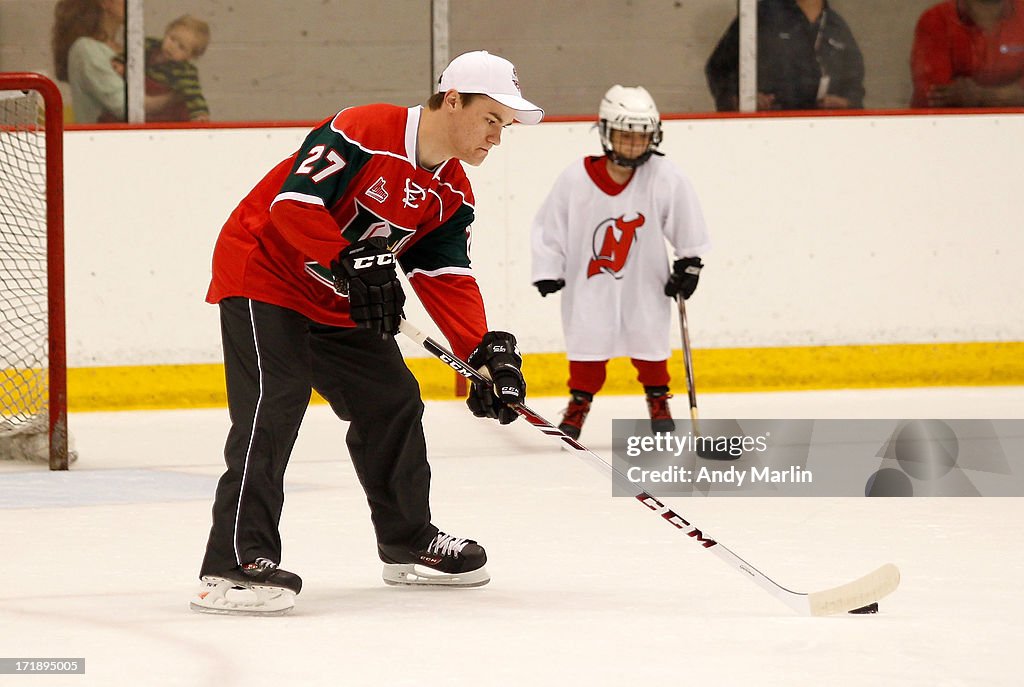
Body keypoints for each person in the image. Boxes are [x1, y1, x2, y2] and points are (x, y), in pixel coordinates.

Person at [191, 51, 543, 616]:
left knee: (392, 398)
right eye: (491, 119)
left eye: (504, 126)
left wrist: (482, 356)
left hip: (337, 300)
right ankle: (233, 562)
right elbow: (294, 205)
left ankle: (406, 541)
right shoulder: (363, 129)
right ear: (453, 100)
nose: (497, 137)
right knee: (275, 401)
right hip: (266, 275)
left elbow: (445, 274)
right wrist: (348, 260)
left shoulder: (451, 192)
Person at [530, 85, 711, 441]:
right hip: (589, 278)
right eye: (625, 136)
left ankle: (658, 400)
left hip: (646, 278)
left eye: (641, 137)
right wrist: (549, 268)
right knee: (587, 336)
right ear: (606, 133)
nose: (633, 145)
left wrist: (689, 262)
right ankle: (579, 403)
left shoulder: (665, 175)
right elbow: (550, 225)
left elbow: (687, 222)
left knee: (649, 336)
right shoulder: (575, 178)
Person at [705, 0, 865, 111]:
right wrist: (741, 100)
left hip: (820, 132)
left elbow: (854, 83)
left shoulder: (836, 26)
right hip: (764, 129)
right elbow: (718, 68)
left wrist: (844, 103)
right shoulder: (762, 15)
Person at [51, 0, 175, 123]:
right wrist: (176, 96)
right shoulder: (86, 49)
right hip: (103, 140)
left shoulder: (125, 50)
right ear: (106, 2)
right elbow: (126, 107)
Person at [911, 0, 1024, 107]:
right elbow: (933, 97)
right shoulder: (936, 19)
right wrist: (1010, 96)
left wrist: (982, 96)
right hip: (951, 125)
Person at [112, 15, 211, 122]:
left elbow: (194, 94)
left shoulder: (185, 72)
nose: (172, 47)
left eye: (181, 47)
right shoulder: (148, 45)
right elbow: (131, 52)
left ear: (190, 56)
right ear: (166, 32)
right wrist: (120, 61)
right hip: (137, 102)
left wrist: (200, 113)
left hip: (164, 115)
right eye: (172, 39)